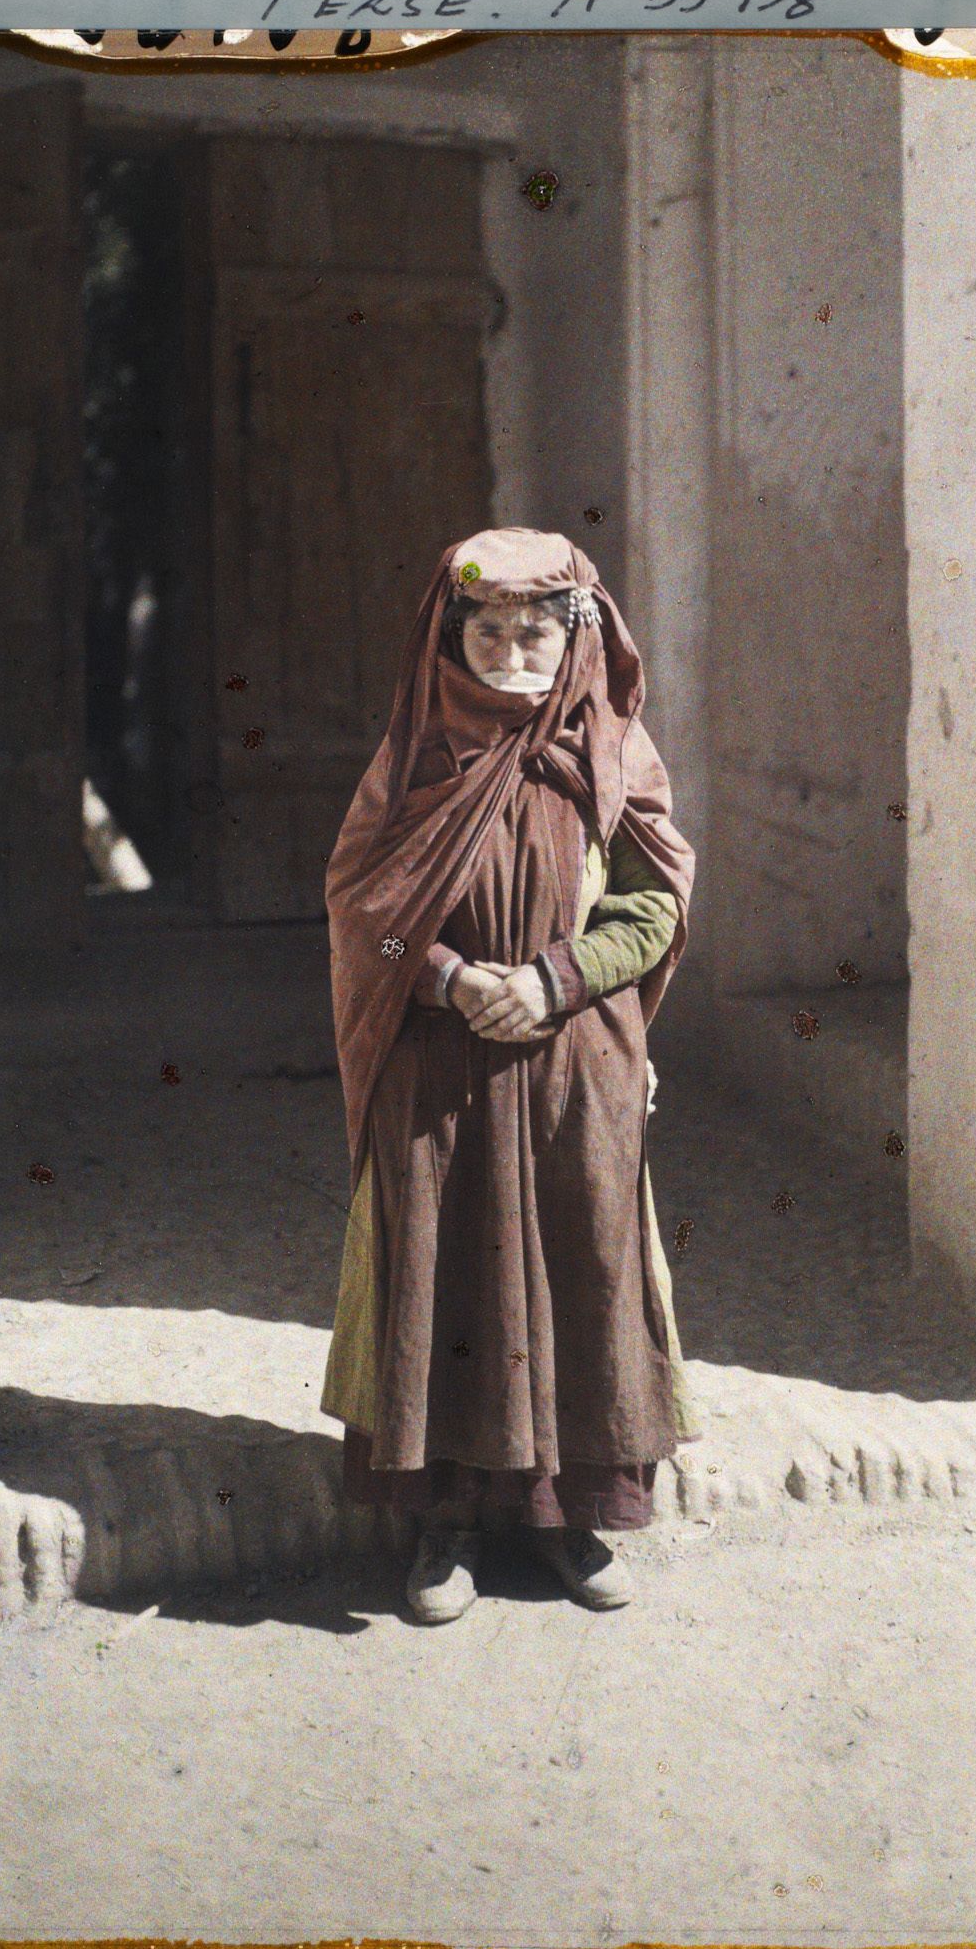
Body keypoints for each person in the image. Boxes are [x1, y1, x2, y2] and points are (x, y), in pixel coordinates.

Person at [320, 527, 697, 1624]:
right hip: (440, 1071)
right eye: (489, 631)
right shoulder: (412, 755)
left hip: (576, 1062)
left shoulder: (614, 754)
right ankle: (446, 1525)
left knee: (581, 1272)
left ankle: (570, 1520)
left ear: (572, 637)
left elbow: (654, 903)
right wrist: (441, 977)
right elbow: (360, 905)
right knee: (446, 1280)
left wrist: (556, 977)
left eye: (535, 632)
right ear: (453, 637)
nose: (513, 652)